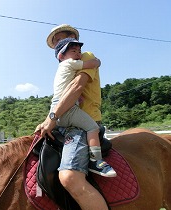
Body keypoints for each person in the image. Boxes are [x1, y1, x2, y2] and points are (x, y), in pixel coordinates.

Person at [35, 24, 111, 210]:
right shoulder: (65, 68)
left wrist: (52, 118)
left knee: (70, 177)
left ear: (72, 39)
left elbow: (76, 88)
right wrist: (47, 120)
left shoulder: (85, 57)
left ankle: (95, 163)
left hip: (79, 124)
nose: (58, 45)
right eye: (56, 44)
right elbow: (61, 96)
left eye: (61, 39)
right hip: (66, 116)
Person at [51, 37, 116, 177]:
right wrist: (98, 61)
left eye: (79, 50)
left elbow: (73, 88)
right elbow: (91, 64)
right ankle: (96, 160)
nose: (78, 53)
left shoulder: (63, 68)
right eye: (73, 50)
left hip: (58, 106)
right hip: (67, 109)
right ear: (61, 55)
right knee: (93, 128)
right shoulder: (70, 64)